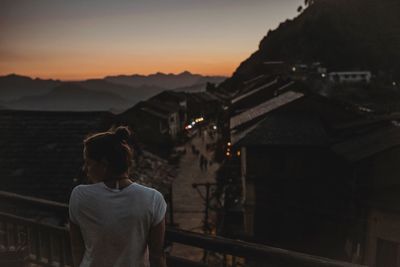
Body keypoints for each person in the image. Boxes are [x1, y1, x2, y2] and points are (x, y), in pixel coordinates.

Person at [69, 126, 167, 267]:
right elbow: (157, 256)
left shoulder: (79, 196)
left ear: (104, 163)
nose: (85, 169)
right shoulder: (153, 199)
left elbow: (77, 249)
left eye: (88, 163)